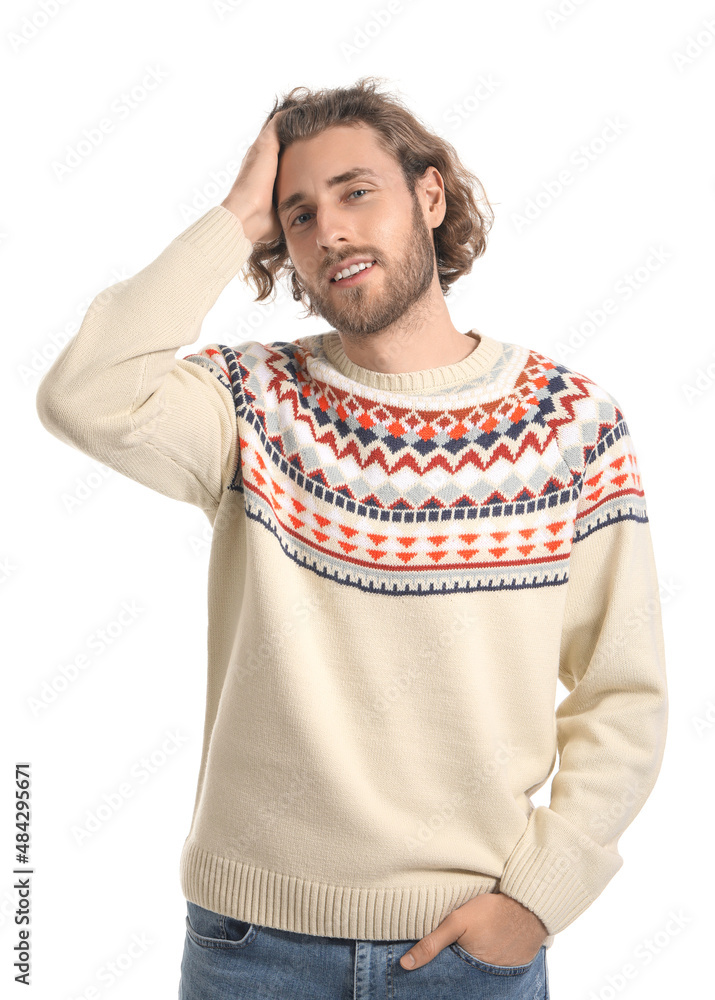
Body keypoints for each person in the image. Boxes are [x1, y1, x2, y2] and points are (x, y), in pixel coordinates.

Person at [35, 77, 668, 999]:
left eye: (354, 191)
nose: (327, 228)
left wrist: (537, 899)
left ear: (431, 193)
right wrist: (231, 216)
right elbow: (82, 396)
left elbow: (624, 690)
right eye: (296, 214)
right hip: (252, 948)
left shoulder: (569, 421)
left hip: (469, 948)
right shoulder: (251, 403)